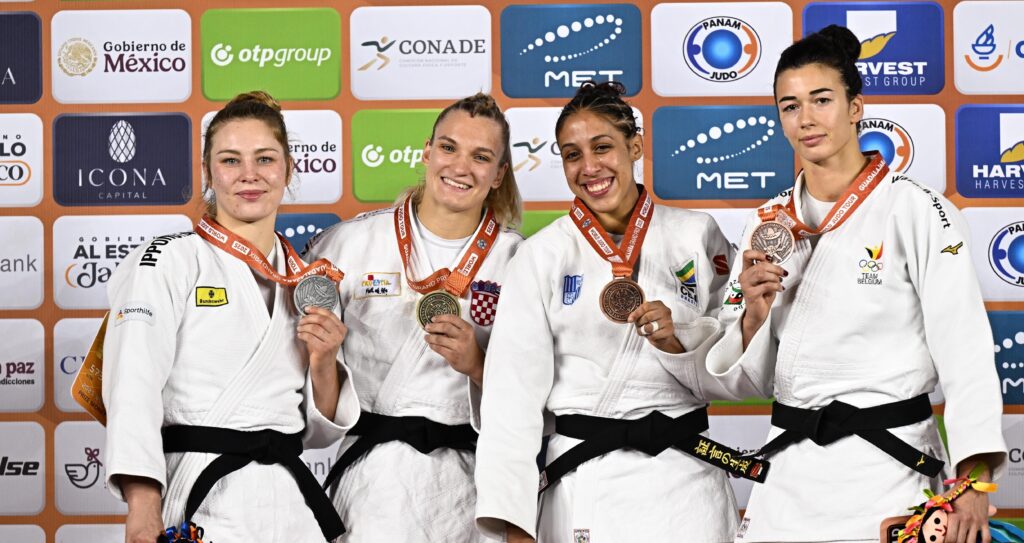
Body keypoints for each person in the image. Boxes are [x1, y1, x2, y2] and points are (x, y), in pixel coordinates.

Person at [706, 25, 1007, 543]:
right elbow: (746, 382)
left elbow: (966, 351)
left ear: (855, 107)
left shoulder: (919, 209)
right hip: (791, 475)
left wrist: (973, 479)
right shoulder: (768, 222)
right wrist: (753, 317)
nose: (806, 118)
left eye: (822, 100)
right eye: (790, 106)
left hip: (888, 468)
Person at [474, 81, 743, 543]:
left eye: (602, 147)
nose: (589, 167)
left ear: (634, 147)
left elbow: (735, 368)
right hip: (585, 480)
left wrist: (678, 339)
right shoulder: (542, 255)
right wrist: (515, 523)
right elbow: (510, 399)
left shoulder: (697, 234)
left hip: (687, 485)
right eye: (572, 154)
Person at [102, 91, 360, 543]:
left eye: (265, 159)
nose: (249, 175)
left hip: (288, 502)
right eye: (230, 160)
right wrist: (143, 508)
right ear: (207, 172)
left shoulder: (305, 280)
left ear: (288, 170)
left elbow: (318, 433)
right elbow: (132, 385)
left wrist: (323, 361)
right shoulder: (167, 259)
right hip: (201, 492)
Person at [303, 93, 523, 542]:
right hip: (371, 486)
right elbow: (311, 404)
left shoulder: (520, 261)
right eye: (449, 148)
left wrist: (477, 365)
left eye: (481, 157)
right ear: (427, 152)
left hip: (471, 488)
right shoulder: (347, 244)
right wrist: (321, 359)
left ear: (499, 174)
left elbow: (538, 399)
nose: (460, 167)